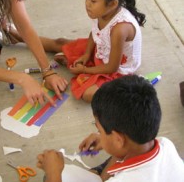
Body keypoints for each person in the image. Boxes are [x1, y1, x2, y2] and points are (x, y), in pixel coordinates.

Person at [37, 75, 184, 182]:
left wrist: (54, 173)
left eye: (100, 130)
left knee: (53, 177)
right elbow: (124, 149)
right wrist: (106, 139)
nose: (98, 134)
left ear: (119, 139)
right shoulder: (165, 144)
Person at [40, 0, 146, 102]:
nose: (87, 4)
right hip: (103, 50)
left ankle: (88, 71)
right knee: (60, 42)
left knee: (88, 94)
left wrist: (85, 69)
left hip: (117, 69)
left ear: (113, 4)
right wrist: (86, 54)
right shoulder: (104, 11)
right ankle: (17, 36)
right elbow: (95, 33)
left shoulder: (120, 29)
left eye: (93, 0)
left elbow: (112, 67)